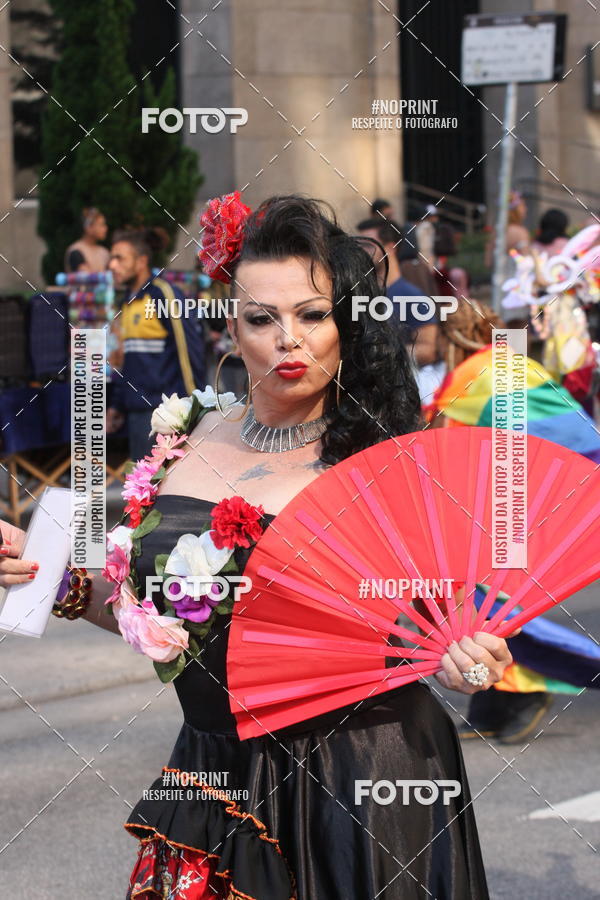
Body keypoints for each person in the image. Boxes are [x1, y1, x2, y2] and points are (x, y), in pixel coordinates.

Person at [0, 195, 517, 899]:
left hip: (359, 782)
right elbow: (166, 627)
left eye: (313, 314)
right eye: (261, 318)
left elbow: (448, 626)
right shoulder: (186, 436)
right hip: (211, 771)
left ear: (346, 326)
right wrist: (43, 571)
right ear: (232, 330)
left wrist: (471, 659)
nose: (288, 339)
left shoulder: (382, 465)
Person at [426, 299, 600, 743]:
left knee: (496, 607)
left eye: (421, 331)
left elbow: (574, 438)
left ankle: (525, 691)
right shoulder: (488, 369)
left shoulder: (485, 373)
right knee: (480, 607)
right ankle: (494, 697)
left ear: (449, 334)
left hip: (501, 515)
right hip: (483, 511)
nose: (413, 340)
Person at [106, 227, 206, 460]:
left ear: (141, 261)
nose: (112, 265)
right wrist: (117, 406)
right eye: (112, 258)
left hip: (166, 416)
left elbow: (190, 351)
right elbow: (125, 362)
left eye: (119, 258)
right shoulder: (127, 301)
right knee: (141, 491)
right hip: (137, 416)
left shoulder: (164, 294)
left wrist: (197, 411)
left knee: (167, 491)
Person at [64, 207, 110, 273]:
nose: (106, 228)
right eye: (101, 225)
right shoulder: (76, 251)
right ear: (88, 228)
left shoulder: (104, 252)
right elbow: (84, 277)